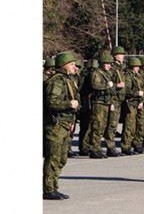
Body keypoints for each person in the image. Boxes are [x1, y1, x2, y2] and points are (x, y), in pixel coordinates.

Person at [43, 51, 80, 200]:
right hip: (56, 124)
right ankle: (48, 188)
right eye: (72, 64)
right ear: (64, 65)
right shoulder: (57, 81)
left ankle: (52, 185)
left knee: (61, 158)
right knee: (54, 157)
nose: (75, 67)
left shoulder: (67, 80)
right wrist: (69, 105)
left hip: (65, 123)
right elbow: (52, 102)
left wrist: (72, 120)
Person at [87, 53, 119, 158]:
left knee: (104, 126)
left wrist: (111, 102)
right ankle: (94, 148)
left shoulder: (107, 73)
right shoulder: (96, 73)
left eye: (110, 63)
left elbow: (112, 89)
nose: (109, 65)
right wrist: (107, 85)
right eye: (106, 63)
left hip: (106, 102)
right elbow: (95, 85)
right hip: (98, 102)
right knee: (97, 125)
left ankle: (98, 148)